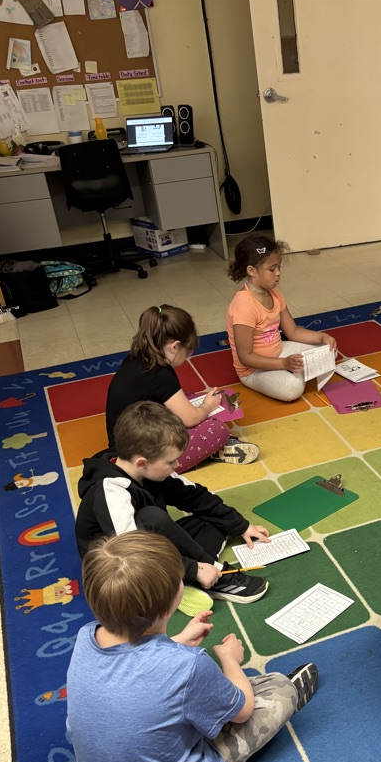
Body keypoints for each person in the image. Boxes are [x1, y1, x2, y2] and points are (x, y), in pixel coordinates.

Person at [66, 531, 318, 762]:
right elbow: (243, 711)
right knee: (275, 688)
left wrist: (176, 642)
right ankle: (285, 693)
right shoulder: (189, 665)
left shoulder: (86, 636)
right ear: (171, 602)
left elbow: (132, 667)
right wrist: (230, 661)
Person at [76, 400, 270, 604]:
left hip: (148, 543)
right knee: (153, 516)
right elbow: (130, 553)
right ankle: (207, 575)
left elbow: (197, 497)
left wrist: (241, 525)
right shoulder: (111, 492)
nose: (177, 465)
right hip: (119, 567)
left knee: (213, 522)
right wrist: (193, 568)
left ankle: (186, 578)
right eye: (171, 462)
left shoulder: (153, 472)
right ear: (141, 463)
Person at [105, 304, 259, 473]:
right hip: (142, 460)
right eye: (187, 352)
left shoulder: (139, 357)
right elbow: (191, 419)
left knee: (187, 396)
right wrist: (208, 407)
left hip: (126, 442)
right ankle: (211, 449)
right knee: (217, 430)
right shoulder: (161, 375)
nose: (187, 358)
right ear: (174, 347)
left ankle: (207, 449)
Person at [225, 234, 338, 401]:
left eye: (279, 267)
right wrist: (284, 364)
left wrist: (322, 336)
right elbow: (246, 357)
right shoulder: (244, 305)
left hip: (279, 352)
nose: (278, 273)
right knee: (292, 389)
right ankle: (297, 372)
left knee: (329, 350)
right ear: (252, 271)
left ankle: (297, 370)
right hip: (254, 370)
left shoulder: (275, 294)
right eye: (272, 269)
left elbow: (292, 331)